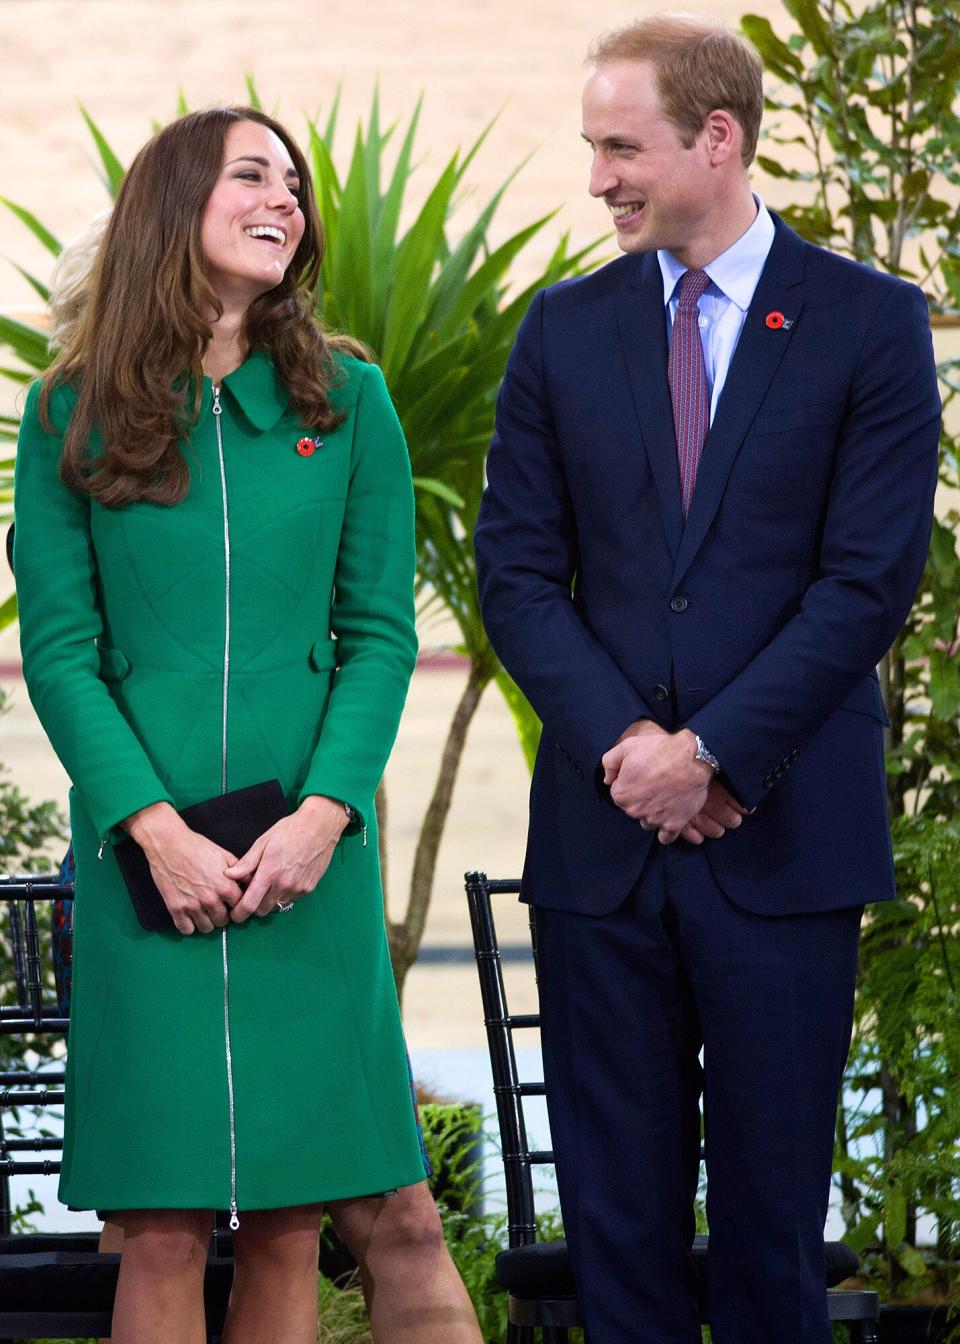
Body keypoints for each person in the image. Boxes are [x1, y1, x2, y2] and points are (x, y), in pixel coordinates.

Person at [475, 15, 941, 1344]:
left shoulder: (869, 324)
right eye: (594, 148)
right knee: (615, 1234)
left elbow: (866, 582)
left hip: (784, 842)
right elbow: (515, 574)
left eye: (621, 147)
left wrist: (716, 756)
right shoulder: (560, 334)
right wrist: (637, 747)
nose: (598, 178)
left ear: (716, 139)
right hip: (601, 845)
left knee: (772, 1228)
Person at [14, 106, 480, 1344]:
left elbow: (380, 634)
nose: (287, 197)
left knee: (285, 1217)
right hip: (143, 867)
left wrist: (325, 819)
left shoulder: (352, 402)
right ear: (177, 201)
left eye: (297, 183)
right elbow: (58, 654)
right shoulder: (69, 413)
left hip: (306, 862)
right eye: (253, 173)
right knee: (161, 1225)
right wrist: (153, 829)